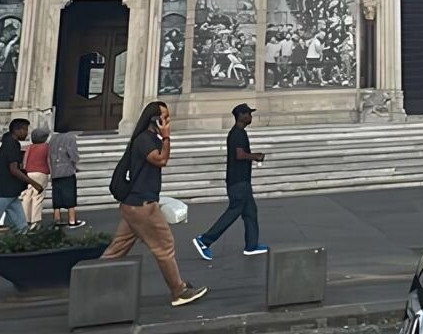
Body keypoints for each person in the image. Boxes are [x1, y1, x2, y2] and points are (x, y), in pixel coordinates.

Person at [101, 101, 207, 307]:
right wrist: (166, 136)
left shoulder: (145, 139)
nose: (168, 121)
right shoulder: (145, 140)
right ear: (155, 120)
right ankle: (179, 291)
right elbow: (160, 160)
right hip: (143, 206)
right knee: (165, 247)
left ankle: (90, 282)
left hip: (133, 206)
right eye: (164, 118)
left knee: (116, 250)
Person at [193, 103, 267, 259]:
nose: (250, 117)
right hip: (238, 182)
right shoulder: (237, 134)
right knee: (234, 211)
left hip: (241, 181)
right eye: (248, 114)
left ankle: (251, 245)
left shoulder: (239, 133)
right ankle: (205, 240)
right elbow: (240, 155)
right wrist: (256, 156)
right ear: (240, 115)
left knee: (250, 212)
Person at [0, 119, 40, 232]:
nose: (27, 133)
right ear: (16, 130)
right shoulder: (12, 145)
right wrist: (34, 183)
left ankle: (22, 236)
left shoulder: (8, 142)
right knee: (18, 219)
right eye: (25, 129)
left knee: (20, 223)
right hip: (5, 190)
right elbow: (14, 169)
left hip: (9, 191)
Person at [49, 124, 83, 227]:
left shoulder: (53, 139)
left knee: (57, 195)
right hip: (67, 170)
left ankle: (57, 219)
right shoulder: (70, 138)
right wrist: (76, 162)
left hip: (55, 171)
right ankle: (72, 220)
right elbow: (72, 153)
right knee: (70, 195)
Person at [19, 126, 50, 228]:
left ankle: (25, 220)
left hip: (28, 173)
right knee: (37, 196)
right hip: (41, 173)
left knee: (27, 196)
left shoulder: (28, 147)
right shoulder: (46, 147)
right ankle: (35, 221)